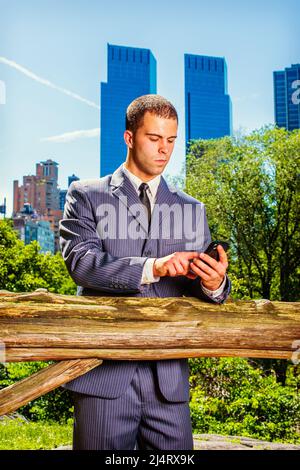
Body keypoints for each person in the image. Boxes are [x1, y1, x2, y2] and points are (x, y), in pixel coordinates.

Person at [59, 94, 231, 450]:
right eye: (154, 139)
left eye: (171, 140)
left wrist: (215, 283)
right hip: (104, 374)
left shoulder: (192, 209)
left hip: (168, 382)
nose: (164, 150)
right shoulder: (86, 195)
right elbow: (82, 263)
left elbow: (203, 290)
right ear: (129, 137)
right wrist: (155, 267)